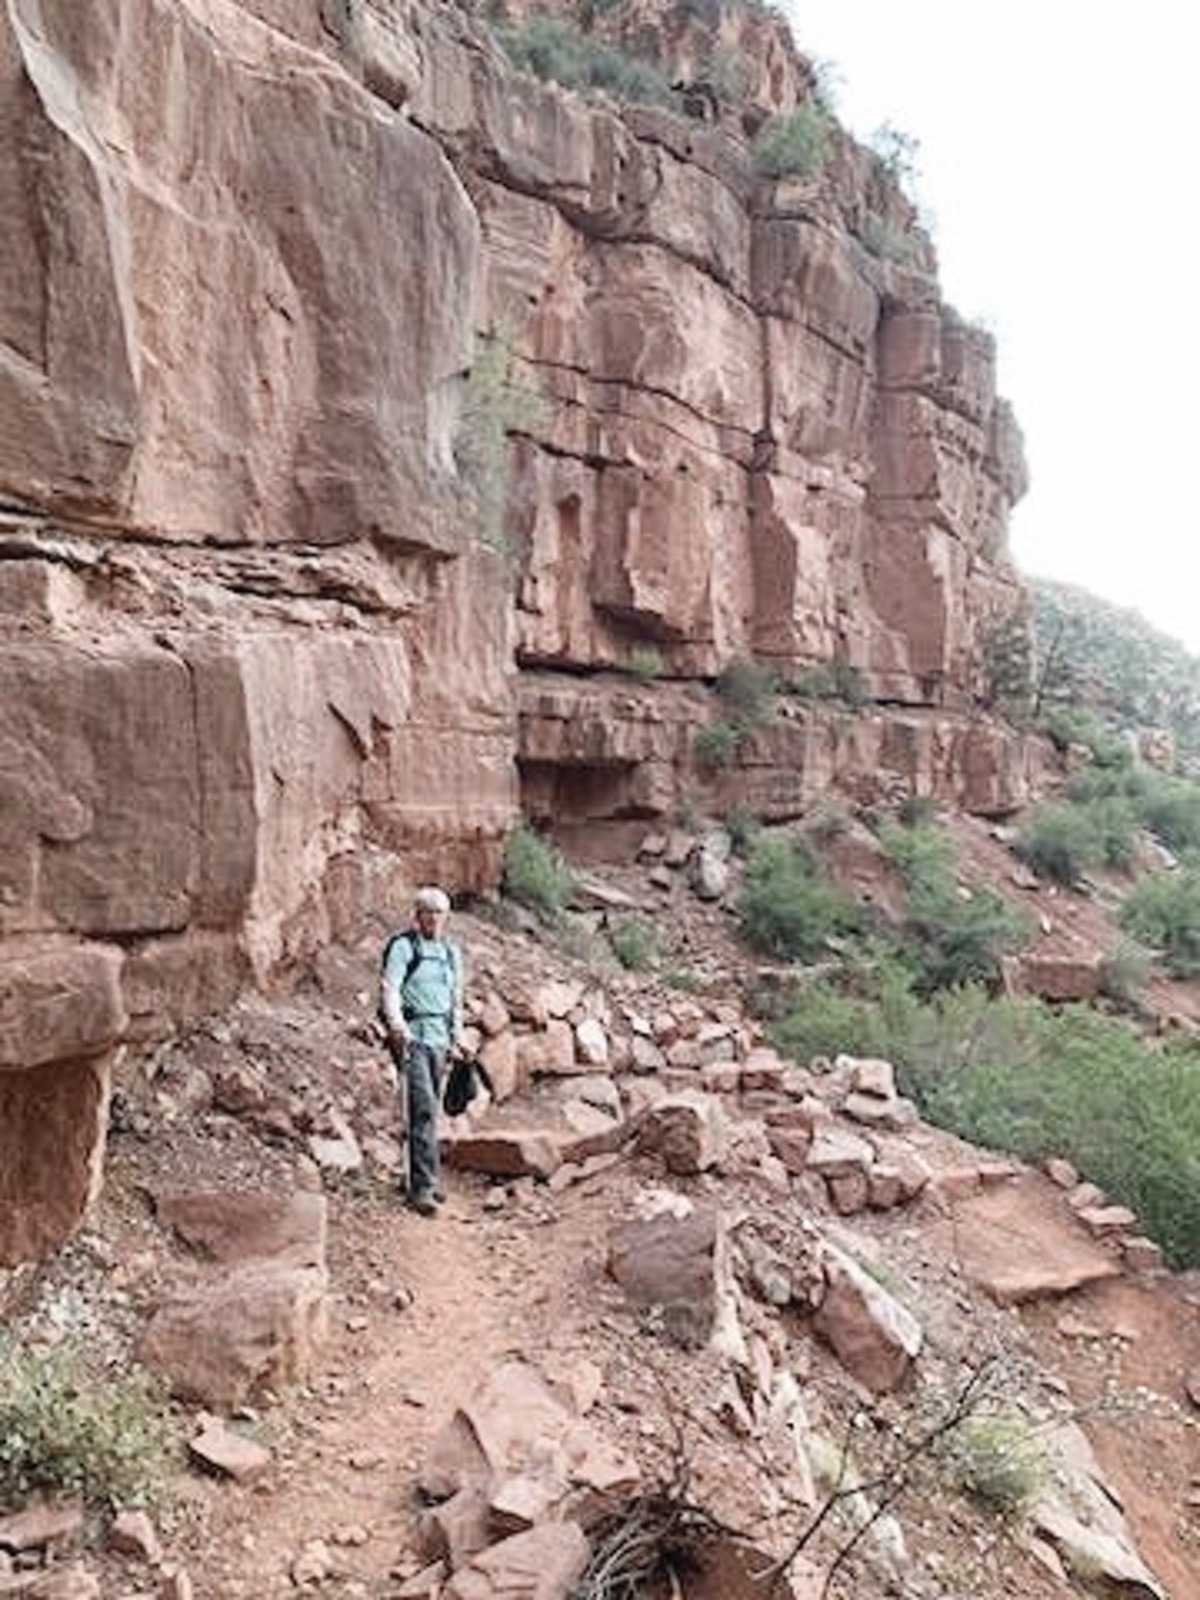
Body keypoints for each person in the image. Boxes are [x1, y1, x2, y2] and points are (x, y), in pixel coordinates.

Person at [380, 885, 464, 1216]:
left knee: (430, 1110)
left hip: (440, 1037)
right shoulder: (403, 947)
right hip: (414, 1037)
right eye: (428, 913)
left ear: (446, 917)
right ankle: (422, 1188)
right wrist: (397, 1027)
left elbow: (455, 997)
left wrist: (457, 1035)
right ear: (418, 916)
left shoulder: (450, 952)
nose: (434, 920)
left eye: (439, 914)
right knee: (422, 1108)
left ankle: (424, 1178)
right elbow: (391, 987)